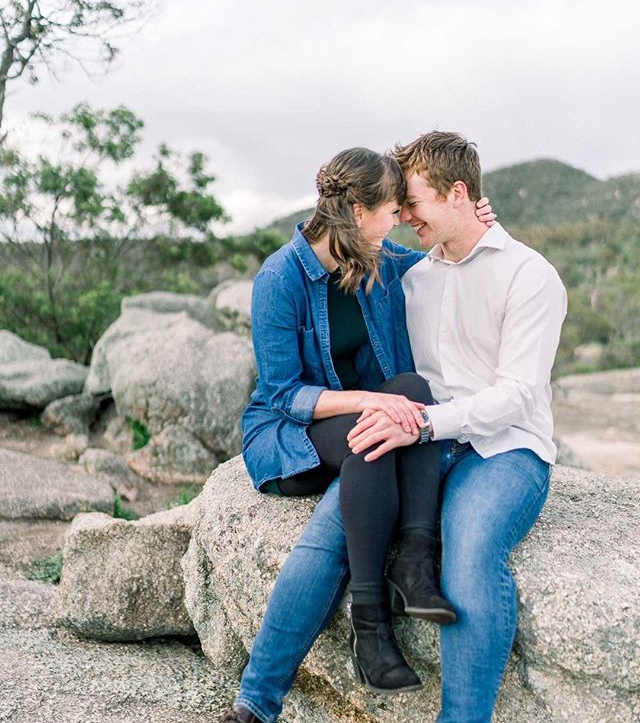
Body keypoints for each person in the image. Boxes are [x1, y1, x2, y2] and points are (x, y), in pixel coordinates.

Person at [221, 131, 563, 723]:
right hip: (399, 431)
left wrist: (477, 220)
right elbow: (286, 388)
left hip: (495, 442)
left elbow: (517, 395)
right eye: (394, 206)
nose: (404, 218)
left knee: (471, 551)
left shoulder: (523, 275)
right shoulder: (399, 270)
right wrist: (401, 417)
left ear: (459, 194)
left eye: (413, 203)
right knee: (334, 531)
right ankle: (255, 702)